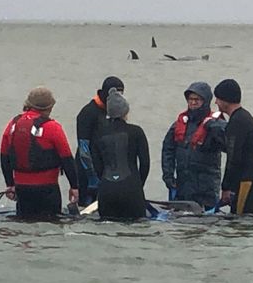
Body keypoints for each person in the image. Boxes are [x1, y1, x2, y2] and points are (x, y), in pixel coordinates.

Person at [0, 87, 78, 219]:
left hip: (22, 191)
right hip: (48, 190)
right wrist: (74, 187)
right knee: (50, 230)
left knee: (24, 227)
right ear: (49, 107)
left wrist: (10, 185)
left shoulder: (13, 124)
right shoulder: (53, 127)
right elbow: (67, 158)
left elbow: (4, 157)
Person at [160, 82, 226, 209]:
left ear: (205, 101)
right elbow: (167, 150)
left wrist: (214, 128)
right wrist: (168, 175)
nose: (193, 102)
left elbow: (229, 143)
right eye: (190, 99)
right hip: (182, 186)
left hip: (207, 189)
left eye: (197, 99)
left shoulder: (215, 124)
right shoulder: (178, 124)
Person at [92, 88, 150, 219]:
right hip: (131, 189)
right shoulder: (136, 132)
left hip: (106, 190)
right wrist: (138, 185)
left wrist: (105, 181)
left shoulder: (99, 134)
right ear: (126, 111)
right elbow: (145, 163)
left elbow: (97, 165)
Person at [214, 79, 253, 215]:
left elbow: (233, 158)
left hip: (249, 180)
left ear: (226, 100)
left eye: (218, 98)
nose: (215, 102)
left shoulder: (237, 122)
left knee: (240, 219)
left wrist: (226, 188)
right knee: (240, 217)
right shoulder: (242, 117)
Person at [75, 76, 125, 206]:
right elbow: (83, 147)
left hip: (106, 171)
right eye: (115, 93)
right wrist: (91, 176)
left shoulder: (114, 112)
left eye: (121, 94)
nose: (117, 97)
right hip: (87, 171)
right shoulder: (88, 113)